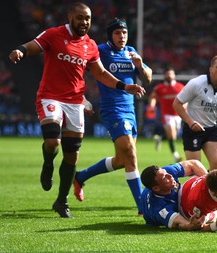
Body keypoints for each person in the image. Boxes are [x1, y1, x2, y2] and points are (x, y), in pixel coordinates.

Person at [8, 3, 145, 218]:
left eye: (88, 19)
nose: (84, 22)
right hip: (50, 96)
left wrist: (123, 86)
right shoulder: (55, 34)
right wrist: (20, 51)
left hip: (74, 101)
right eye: (80, 18)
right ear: (70, 17)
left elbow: (100, 73)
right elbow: (34, 45)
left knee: (72, 154)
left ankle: (61, 202)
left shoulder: (89, 45)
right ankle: (48, 163)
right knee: (54, 142)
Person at [73, 17, 152, 215]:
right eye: (118, 33)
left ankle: (80, 177)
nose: (122, 36)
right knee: (131, 156)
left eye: (124, 33)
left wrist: (141, 65)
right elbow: (78, 69)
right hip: (112, 110)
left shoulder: (131, 52)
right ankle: (142, 206)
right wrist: (81, 97)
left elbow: (148, 78)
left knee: (121, 160)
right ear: (111, 35)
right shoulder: (100, 50)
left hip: (130, 110)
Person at [172, 55, 217, 171]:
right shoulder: (196, 83)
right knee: (195, 170)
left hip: (210, 130)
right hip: (192, 130)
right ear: (211, 69)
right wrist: (191, 123)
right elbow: (176, 103)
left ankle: (208, 187)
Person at [140, 160, 217, 231]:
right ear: (156, 188)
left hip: (176, 198)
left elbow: (193, 164)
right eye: (164, 177)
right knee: (197, 216)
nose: (170, 175)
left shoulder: (167, 172)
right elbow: (185, 225)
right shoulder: (160, 208)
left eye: (166, 173)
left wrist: (207, 184)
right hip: (152, 216)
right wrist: (215, 226)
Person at [148, 66, 185, 162]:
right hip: (166, 115)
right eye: (167, 74)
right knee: (172, 135)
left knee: (173, 136)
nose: (169, 75)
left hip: (178, 115)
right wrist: (152, 106)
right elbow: (153, 97)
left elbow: (186, 99)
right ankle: (175, 156)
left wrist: (185, 106)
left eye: (170, 74)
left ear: (174, 75)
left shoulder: (180, 87)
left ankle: (159, 138)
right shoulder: (160, 88)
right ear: (164, 76)